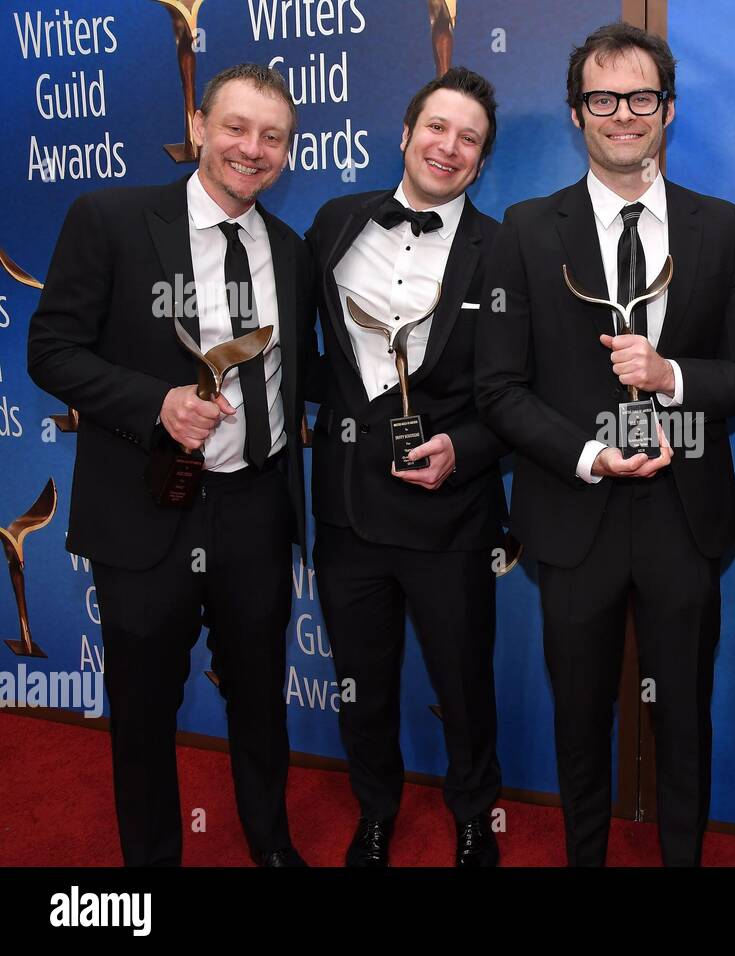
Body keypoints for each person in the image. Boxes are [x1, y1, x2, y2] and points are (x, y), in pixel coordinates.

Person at [476, 23, 735, 866]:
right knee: (580, 713)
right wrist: (586, 454)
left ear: (667, 110)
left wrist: (672, 373)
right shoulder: (527, 232)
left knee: (686, 710)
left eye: (640, 97)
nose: (623, 114)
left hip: (686, 516)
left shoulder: (721, 227)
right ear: (577, 114)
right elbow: (498, 390)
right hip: (573, 511)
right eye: (602, 99)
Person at [27, 64, 315, 867]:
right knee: (144, 709)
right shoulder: (111, 219)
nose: (251, 149)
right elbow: (49, 350)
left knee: (260, 700)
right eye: (235, 127)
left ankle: (272, 847)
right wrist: (153, 403)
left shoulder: (290, 251)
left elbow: (310, 373)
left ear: (287, 152)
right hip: (145, 505)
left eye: (272, 137)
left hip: (255, 508)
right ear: (196, 127)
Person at [304, 67, 506, 868]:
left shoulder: (504, 248)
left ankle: (470, 816)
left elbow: (517, 387)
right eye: (437, 128)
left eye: (469, 139)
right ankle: (376, 813)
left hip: (449, 511)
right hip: (347, 510)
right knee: (363, 682)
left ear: (482, 161)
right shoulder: (332, 222)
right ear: (404, 133)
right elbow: (301, 353)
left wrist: (469, 448)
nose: (449, 147)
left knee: (463, 684)